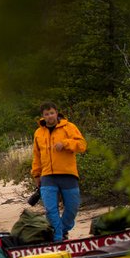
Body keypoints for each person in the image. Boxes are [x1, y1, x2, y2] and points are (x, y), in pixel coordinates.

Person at [31, 102, 87, 241]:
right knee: (51, 210)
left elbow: (82, 145)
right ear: (42, 116)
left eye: (51, 113)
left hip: (68, 174)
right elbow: (36, 155)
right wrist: (36, 174)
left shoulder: (69, 127)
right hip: (47, 176)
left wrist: (66, 143)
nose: (49, 116)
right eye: (46, 114)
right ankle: (58, 239)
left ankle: (62, 230)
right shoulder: (38, 132)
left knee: (72, 208)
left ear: (57, 113)